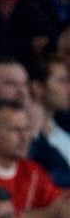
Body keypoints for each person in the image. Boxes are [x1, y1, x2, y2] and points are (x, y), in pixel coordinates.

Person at [28, 57, 70, 187]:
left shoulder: (64, 126)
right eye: (62, 81)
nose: (69, 89)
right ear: (38, 88)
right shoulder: (27, 135)